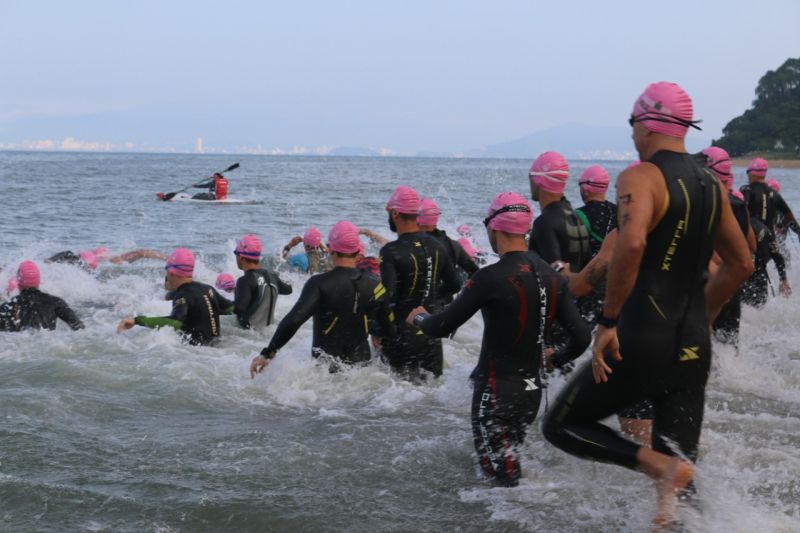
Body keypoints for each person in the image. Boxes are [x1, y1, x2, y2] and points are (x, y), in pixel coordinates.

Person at [542, 81, 753, 528]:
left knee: (561, 426)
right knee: (682, 482)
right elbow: (741, 264)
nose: (632, 135)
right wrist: (705, 316)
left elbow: (632, 244)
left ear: (646, 123)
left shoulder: (640, 177)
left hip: (641, 339)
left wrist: (608, 322)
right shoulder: (712, 185)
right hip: (693, 344)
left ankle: (656, 467)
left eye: (632, 124)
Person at [406, 192, 591, 487]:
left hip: (496, 395)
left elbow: (441, 326)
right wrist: (555, 358)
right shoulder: (553, 276)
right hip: (532, 393)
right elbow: (582, 337)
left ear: (495, 228)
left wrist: (418, 317)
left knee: (501, 484)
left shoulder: (490, 277)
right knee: (509, 472)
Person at [250, 221, 395, 375]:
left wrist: (268, 353)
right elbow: (389, 327)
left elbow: (294, 320)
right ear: (358, 250)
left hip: (325, 371)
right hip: (362, 368)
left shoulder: (318, 284)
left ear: (331, 249)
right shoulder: (375, 284)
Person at [380, 185, 461, 380]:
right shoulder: (437, 245)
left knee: (398, 398)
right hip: (430, 333)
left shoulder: (391, 251)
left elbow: (387, 297)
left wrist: (377, 330)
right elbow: (455, 284)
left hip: (401, 336)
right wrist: (430, 295)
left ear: (394, 213)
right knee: (432, 395)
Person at [116, 248, 233, 345]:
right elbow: (231, 309)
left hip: (196, 352)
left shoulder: (183, 294)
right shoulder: (208, 288)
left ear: (171, 272)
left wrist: (138, 320)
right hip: (216, 345)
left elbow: (175, 322)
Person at [701, 146, 757, 347]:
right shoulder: (740, 206)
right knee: (729, 350)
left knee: (702, 348)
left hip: (710, 286)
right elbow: (752, 245)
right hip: (732, 285)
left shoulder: (708, 204)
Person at [528, 151, 593, 273]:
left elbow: (553, 274)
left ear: (539, 179)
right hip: (578, 290)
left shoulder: (544, 223)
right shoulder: (577, 219)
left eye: (531, 175)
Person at [0, 261, 84, 331]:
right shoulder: (56, 302)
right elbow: (79, 327)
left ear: (18, 281)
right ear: (38, 281)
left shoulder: (7, 306)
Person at [232, 234, 292, 329]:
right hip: (270, 330)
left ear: (241, 257)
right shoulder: (273, 277)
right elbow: (289, 290)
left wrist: (216, 302)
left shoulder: (244, 281)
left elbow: (239, 307)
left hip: (249, 336)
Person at [418, 197, 479, 285]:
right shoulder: (453, 244)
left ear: (417, 219)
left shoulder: (415, 245)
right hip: (449, 294)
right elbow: (475, 272)